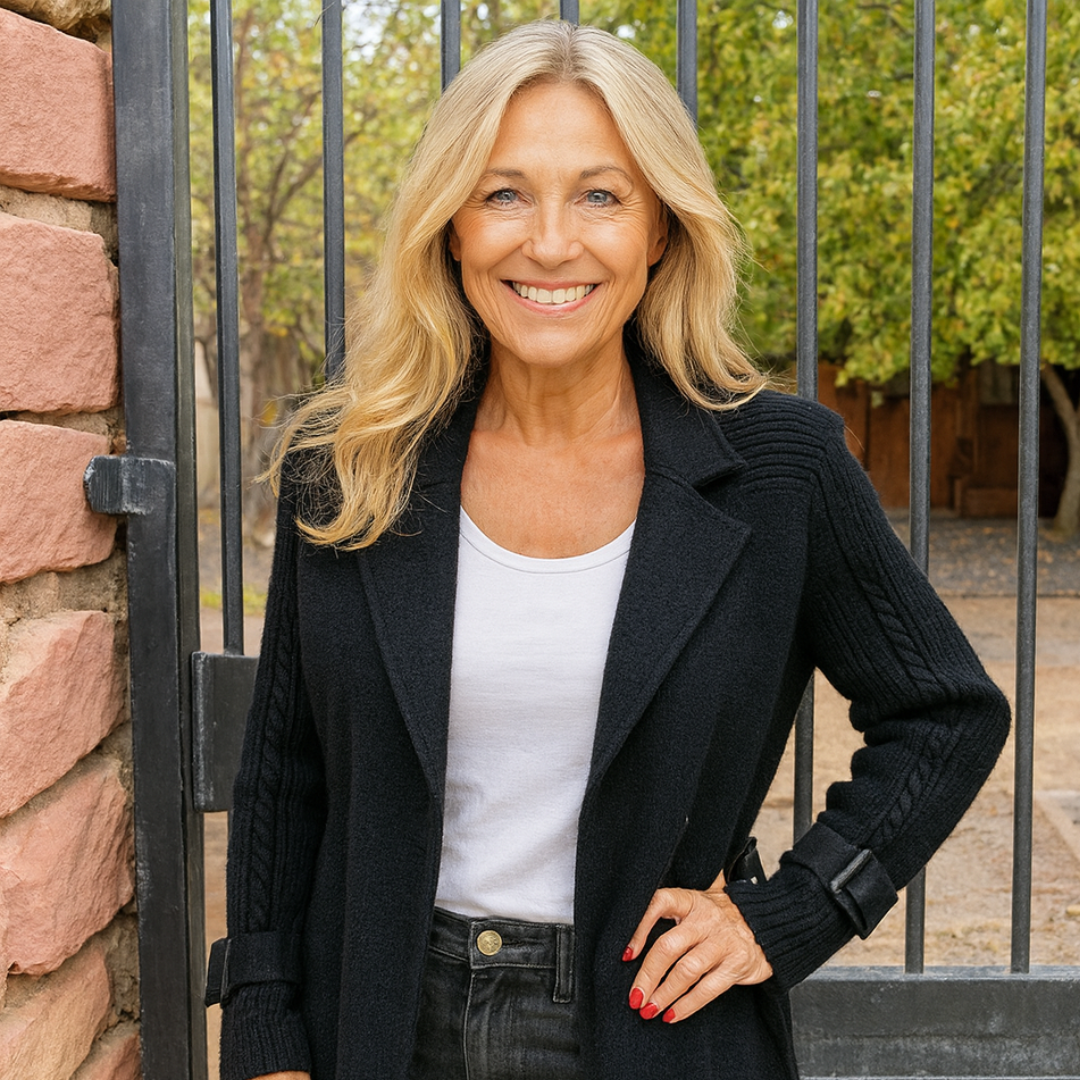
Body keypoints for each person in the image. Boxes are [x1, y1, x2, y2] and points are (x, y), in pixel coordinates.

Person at [205, 19, 1010, 1080]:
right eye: (503, 194)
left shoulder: (780, 469)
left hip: (652, 1027)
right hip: (379, 1023)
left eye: (600, 196)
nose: (550, 243)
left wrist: (799, 908)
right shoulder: (351, 458)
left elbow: (947, 713)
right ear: (451, 227)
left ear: (661, 229)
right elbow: (284, 770)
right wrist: (264, 1032)